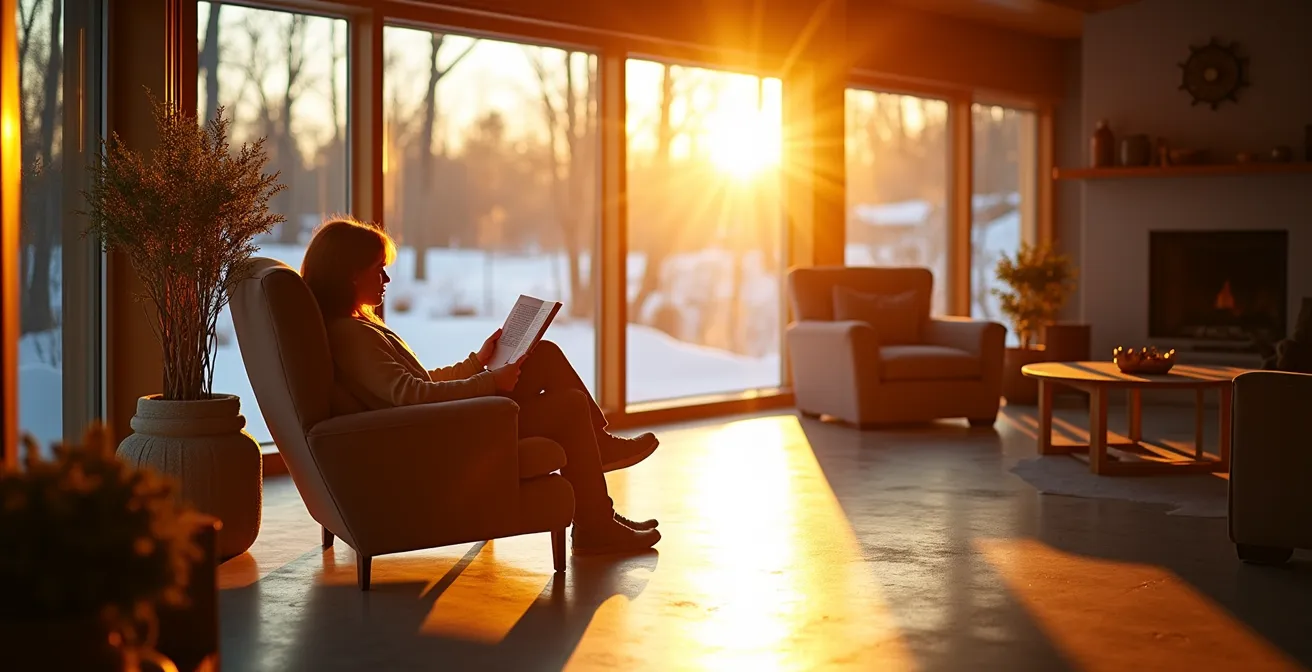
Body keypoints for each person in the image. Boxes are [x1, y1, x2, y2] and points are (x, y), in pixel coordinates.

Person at [300, 218, 661, 555]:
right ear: (350, 274)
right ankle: (596, 524)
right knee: (567, 407)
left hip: (438, 426)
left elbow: (415, 384)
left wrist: (478, 363)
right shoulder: (351, 335)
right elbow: (412, 396)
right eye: (378, 269)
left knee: (544, 355)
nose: (386, 280)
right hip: (448, 436)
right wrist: (489, 382)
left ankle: (599, 461)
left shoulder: (352, 327)